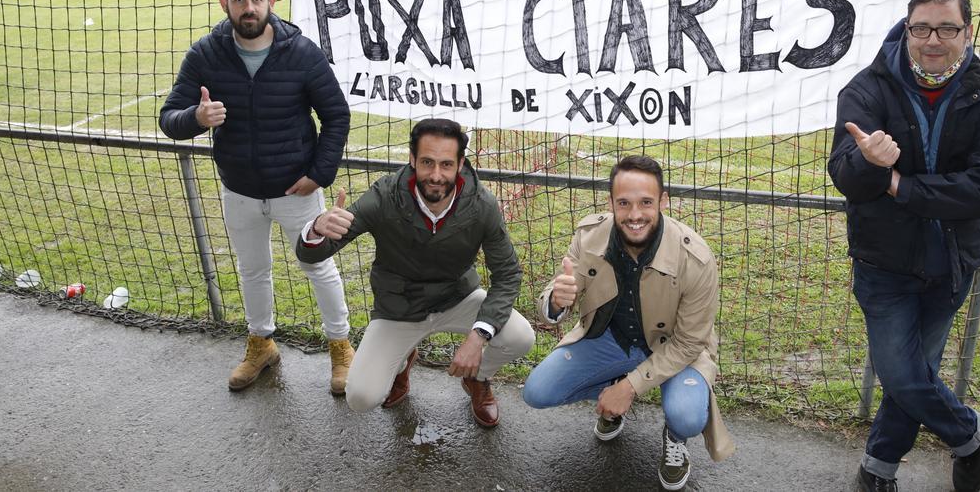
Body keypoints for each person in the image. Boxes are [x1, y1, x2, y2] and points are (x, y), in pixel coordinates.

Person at [828, 0, 980, 492]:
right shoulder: (867, 90)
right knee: (902, 374)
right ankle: (973, 432)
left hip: (952, 264)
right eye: (921, 28)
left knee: (917, 373)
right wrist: (869, 164)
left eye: (947, 28)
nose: (933, 40)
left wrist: (902, 185)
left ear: (968, 32)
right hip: (883, 262)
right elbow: (845, 177)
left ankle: (877, 470)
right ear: (907, 29)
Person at [159, 0, 353, 394]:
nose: (249, 8)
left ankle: (341, 347)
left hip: (295, 191)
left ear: (271, 1)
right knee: (252, 272)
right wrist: (197, 116)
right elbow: (169, 119)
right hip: (239, 191)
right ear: (224, 2)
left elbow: (336, 115)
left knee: (319, 268)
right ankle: (261, 342)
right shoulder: (205, 55)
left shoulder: (301, 52)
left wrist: (318, 175)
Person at [295, 118, 534, 427]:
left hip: (457, 298)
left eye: (446, 164)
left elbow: (508, 273)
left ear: (461, 164)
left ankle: (478, 378)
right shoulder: (385, 196)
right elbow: (312, 253)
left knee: (520, 337)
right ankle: (402, 361)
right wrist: (317, 229)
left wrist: (478, 337)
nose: (436, 175)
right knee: (361, 397)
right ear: (412, 160)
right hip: (400, 308)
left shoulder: (481, 204)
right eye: (427, 162)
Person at [522, 155, 735, 490]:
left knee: (688, 415)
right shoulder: (589, 236)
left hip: (676, 348)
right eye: (624, 203)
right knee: (537, 391)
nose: (635, 215)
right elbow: (563, 285)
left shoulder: (697, 258)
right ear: (611, 203)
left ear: (663, 201)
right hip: (612, 340)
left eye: (646, 203)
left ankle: (673, 436)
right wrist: (554, 300)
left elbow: (691, 342)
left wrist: (630, 386)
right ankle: (614, 393)